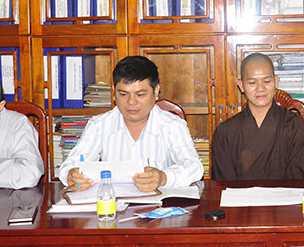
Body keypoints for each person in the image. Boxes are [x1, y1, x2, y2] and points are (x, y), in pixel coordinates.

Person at [60, 56, 203, 192]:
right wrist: (71, 175)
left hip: (158, 206)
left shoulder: (172, 125)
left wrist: (163, 177)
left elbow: (194, 166)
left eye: (140, 95)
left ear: (156, 91)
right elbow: (71, 164)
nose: (131, 102)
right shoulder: (99, 125)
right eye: (123, 94)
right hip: (113, 204)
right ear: (114, 93)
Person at [211, 53, 304, 180]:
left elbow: (299, 182)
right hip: (239, 194)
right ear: (241, 85)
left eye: (266, 81)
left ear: (276, 81)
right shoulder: (225, 133)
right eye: (252, 82)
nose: (260, 88)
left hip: (285, 194)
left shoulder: (296, 127)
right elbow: (222, 185)